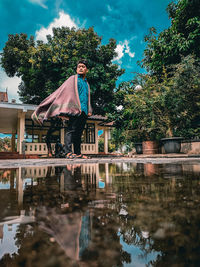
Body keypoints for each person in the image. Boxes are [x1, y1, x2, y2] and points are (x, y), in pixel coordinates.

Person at [31, 59, 92, 159]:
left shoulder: (87, 83)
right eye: (79, 66)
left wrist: (89, 110)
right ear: (77, 69)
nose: (80, 68)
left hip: (84, 111)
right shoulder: (73, 79)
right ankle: (67, 152)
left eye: (83, 67)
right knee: (71, 130)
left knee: (79, 133)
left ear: (87, 70)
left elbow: (87, 97)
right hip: (75, 109)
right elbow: (63, 92)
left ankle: (78, 153)